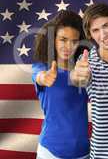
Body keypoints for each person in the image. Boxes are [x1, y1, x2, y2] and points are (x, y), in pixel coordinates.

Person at [70, 3, 108, 159]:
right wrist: (77, 75)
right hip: (104, 154)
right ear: (90, 34)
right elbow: (78, 77)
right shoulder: (88, 63)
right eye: (95, 30)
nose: (103, 35)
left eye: (106, 25)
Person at [32, 10, 89, 159]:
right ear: (53, 40)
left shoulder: (84, 69)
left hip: (83, 152)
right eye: (63, 39)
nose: (68, 46)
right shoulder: (42, 67)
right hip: (50, 152)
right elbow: (39, 77)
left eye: (74, 41)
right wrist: (44, 78)